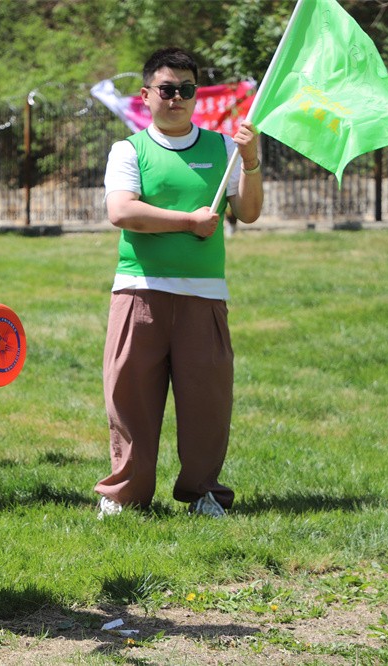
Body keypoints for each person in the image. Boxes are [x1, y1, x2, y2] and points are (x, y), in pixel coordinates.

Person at [94, 47, 263, 519]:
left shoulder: (223, 149)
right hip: (139, 291)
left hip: (203, 295)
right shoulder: (128, 150)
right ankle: (125, 494)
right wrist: (189, 221)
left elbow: (249, 212)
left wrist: (250, 161)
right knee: (130, 398)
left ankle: (203, 492)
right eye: (167, 89)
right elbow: (122, 212)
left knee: (207, 402)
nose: (177, 98)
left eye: (187, 90)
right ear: (146, 95)